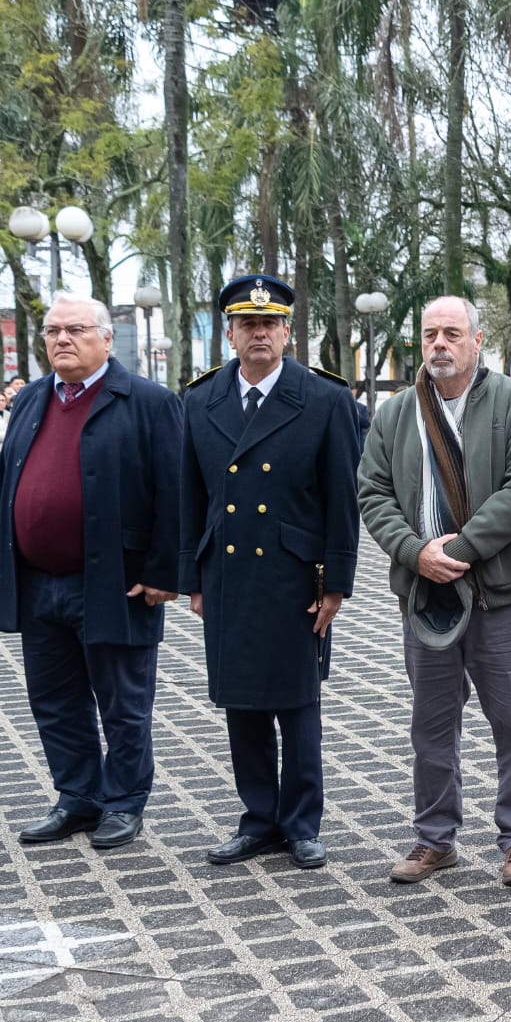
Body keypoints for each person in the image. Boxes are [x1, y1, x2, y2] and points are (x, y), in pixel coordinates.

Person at [359, 296, 511, 886]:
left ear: (476, 339)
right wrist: (417, 553)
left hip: (498, 592)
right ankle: (433, 838)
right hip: (425, 594)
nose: (439, 344)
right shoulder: (394, 414)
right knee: (431, 724)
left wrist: (459, 551)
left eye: (451, 333)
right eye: (430, 334)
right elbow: (373, 494)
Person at [0, 292, 184, 851]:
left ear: (105, 338)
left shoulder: (147, 401)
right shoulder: (30, 400)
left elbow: (174, 494)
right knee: (54, 700)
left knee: (123, 704)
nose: (62, 340)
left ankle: (122, 802)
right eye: (53, 331)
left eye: (75, 329)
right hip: (38, 583)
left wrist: (164, 571)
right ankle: (77, 796)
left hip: (116, 583)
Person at [181, 277, 360, 870]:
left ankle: (302, 822)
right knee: (243, 703)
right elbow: (190, 496)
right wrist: (194, 576)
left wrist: (337, 581)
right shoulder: (200, 401)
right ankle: (258, 818)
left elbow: (342, 499)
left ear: (287, 331)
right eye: (246, 324)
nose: (259, 333)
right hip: (229, 572)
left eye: (270, 323)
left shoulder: (325, 399)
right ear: (228, 333)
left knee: (297, 701)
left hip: (295, 574)